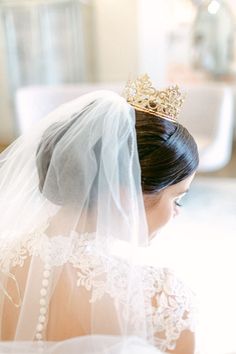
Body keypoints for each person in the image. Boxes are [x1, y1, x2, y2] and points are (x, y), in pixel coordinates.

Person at [0, 75, 199, 354]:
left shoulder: (5, 257)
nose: (177, 213)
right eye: (178, 198)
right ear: (125, 196)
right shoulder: (162, 300)